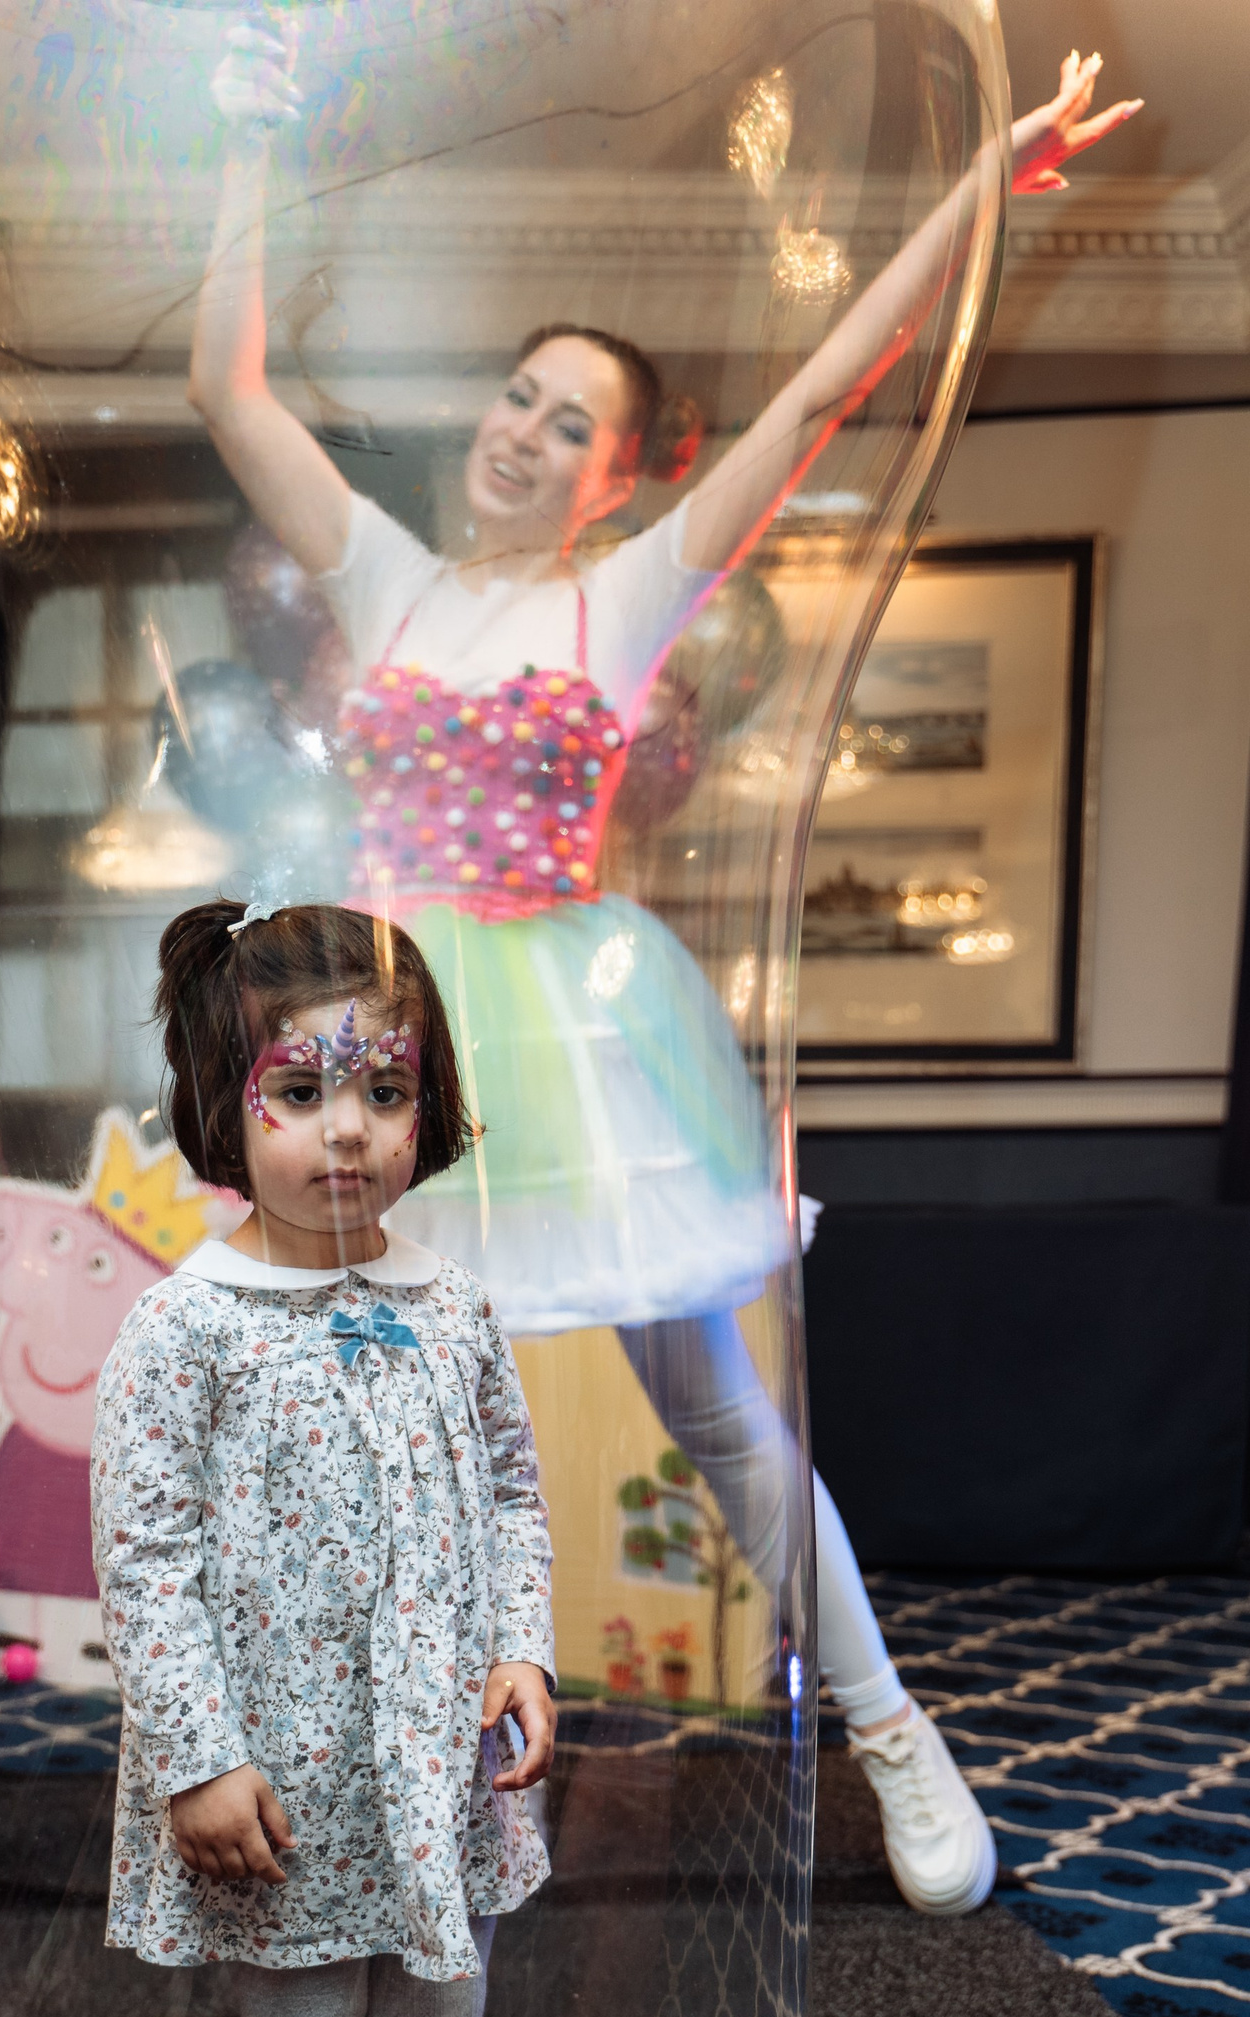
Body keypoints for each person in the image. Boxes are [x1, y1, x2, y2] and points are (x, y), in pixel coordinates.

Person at [186, 41, 1139, 1918]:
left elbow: (827, 389)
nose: (524, 435)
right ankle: (393, 1774)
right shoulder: (386, 579)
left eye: (572, 426)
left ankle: (891, 1732)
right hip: (389, 1045)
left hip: (571, 1037)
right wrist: (243, 133)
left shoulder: (619, 600)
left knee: (714, 1416)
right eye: (517, 398)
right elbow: (227, 388)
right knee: (366, 1438)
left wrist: (983, 192)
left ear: (619, 478)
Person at [91, 898, 596, 2017]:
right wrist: (198, 1759)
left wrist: (523, 1646)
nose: (349, 1131)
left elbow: (511, 1492)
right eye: (299, 1093)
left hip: (436, 1767)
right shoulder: (186, 1328)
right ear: (223, 1108)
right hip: (284, 1782)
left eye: (384, 1089)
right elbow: (144, 1558)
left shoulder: (451, 1305)